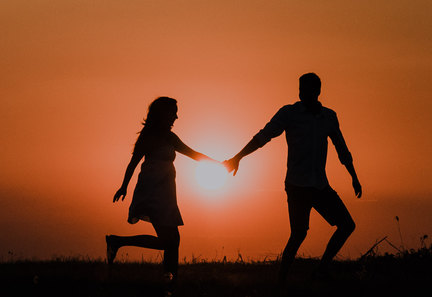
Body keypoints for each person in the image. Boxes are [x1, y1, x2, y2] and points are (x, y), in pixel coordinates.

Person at [225, 72, 362, 282]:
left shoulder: (328, 117)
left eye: (306, 90)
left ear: (317, 91)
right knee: (299, 233)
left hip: (320, 185)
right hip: (297, 185)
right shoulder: (289, 113)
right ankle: (281, 279)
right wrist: (238, 157)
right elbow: (264, 135)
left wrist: (354, 176)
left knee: (346, 225)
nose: (302, 94)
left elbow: (341, 148)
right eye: (300, 89)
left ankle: (322, 269)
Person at [107, 96, 219, 280]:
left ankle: (169, 279)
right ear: (163, 114)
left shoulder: (170, 137)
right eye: (173, 113)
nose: (176, 117)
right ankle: (119, 242)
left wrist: (217, 164)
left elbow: (192, 154)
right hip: (152, 192)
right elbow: (133, 163)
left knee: (173, 240)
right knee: (169, 241)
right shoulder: (148, 137)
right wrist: (124, 186)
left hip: (166, 194)